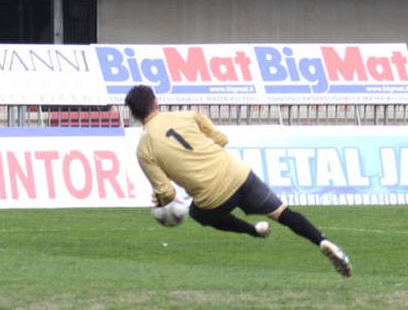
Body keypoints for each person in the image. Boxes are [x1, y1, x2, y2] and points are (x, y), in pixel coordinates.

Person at [124, 84, 352, 277]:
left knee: (198, 214)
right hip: (239, 175)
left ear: (135, 116)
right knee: (283, 213)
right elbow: (221, 139)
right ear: (156, 103)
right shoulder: (187, 116)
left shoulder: (144, 149)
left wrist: (161, 199)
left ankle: (254, 230)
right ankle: (321, 240)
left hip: (212, 196)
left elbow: (165, 193)